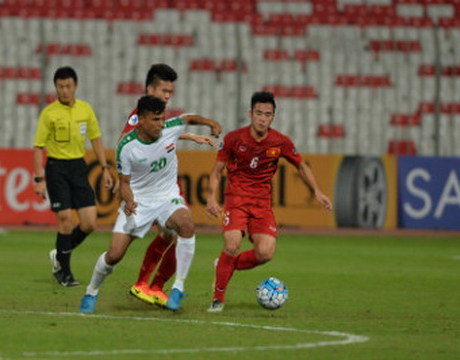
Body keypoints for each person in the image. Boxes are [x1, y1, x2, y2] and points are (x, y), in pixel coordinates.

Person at [205, 91, 333, 312]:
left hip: (262, 204)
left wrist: (317, 191)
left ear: (273, 117)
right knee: (232, 244)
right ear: (250, 114)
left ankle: (225, 265)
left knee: (265, 253)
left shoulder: (280, 141)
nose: (262, 118)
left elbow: (301, 165)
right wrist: (210, 197)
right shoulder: (234, 138)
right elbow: (217, 171)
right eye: (258, 113)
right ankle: (218, 299)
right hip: (236, 199)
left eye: (267, 114)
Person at [79, 95, 197, 313]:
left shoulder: (167, 129)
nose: (161, 124)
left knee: (185, 225)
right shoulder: (126, 146)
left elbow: (187, 120)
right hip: (139, 201)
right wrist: (130, 200)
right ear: (141, 119)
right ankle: (91, 291)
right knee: (114, 254)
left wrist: (210, 125)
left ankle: (176, 287)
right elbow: (124, 182)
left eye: (162, 119)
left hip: (165, 198)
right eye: (156, 119)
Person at [121, 64, 221, 308]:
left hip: (165, 183)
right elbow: (130, 143)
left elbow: (164, 132)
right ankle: (147, 284)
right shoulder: (139, 117)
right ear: (150, 89)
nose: (167, 97)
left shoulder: (157, 117)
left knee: (172, 235)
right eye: (164, 91)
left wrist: (189, 136)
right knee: (176, 232)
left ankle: (152, 286)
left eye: (170, 92)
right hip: (150, 187)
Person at [33, 66, 113, 287]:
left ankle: (58, 254)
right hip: (56, 168)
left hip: (78, 167)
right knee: (66, 220)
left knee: (89, 223)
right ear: (56, 87)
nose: (64, 90)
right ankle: (64, 273)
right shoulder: (49, 113)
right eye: (60, 87)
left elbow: (95, 139)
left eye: (68, 86)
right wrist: (39, 180)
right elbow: (39, 147)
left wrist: (105, 168)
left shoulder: (85, 110)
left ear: (75, 86)